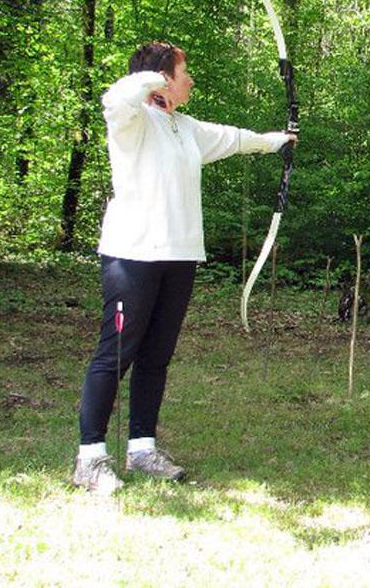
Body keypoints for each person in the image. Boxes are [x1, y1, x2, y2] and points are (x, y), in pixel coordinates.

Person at [72, 41, 296, 494]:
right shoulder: (132, 122)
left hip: (179, 256)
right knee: (116, 352)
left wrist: (280, 141)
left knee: (156, 356)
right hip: (131, 256)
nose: (190, 79)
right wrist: (157, 80)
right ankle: (90, 458)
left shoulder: (185, 128)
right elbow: (115, 98)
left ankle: (142, 448)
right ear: (163, 78)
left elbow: (234, 138)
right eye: (183, 72)